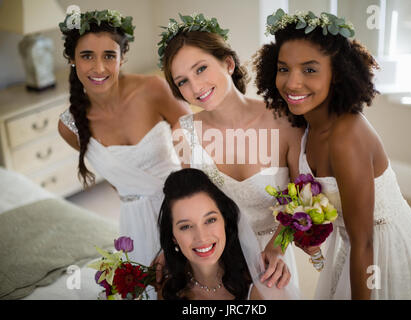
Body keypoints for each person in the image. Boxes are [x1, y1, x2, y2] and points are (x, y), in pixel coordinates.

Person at [253, 9, 411, 299]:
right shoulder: (305, 121)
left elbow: (365, 243)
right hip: (350, 243)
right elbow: (306, 193)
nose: (292, 83)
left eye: (310, 70)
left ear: (336, 74)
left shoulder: (346, 140)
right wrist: (280, 241)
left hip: (382, 251)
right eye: (284, 68)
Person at [159, 13, 304, 294]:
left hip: (274, 257)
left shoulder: (284, 119)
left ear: (227, 62)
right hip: (218, 257)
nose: (195, 87)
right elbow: (188, 201)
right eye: (182, 81)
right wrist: (172, 248)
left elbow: (303, 200)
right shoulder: (185, 132)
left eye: (201, 69)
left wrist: (278, 246)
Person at [57, 6, 191, 299]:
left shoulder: (152, 89)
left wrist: (183, 224)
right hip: (135, 222)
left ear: (122, 57)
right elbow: (119, 180)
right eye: (87, 56)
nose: (99, 68)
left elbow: (194, 153)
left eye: (109, 56)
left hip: (184, 204)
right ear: (72, 59)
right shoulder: (69, 127)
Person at [157, 168, 265, 300]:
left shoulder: (260, 288)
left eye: (210, 220)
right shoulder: (169, 293)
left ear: (224, 220)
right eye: (185, 227)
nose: (202, 237)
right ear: (173, 237)